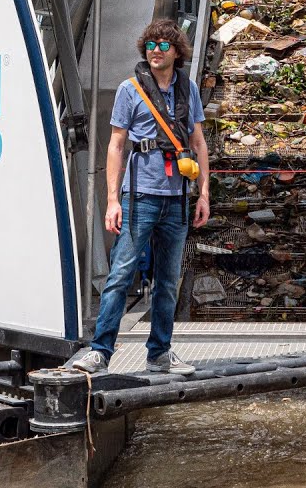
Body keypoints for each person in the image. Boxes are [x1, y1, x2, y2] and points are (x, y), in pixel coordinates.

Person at [72, 19, 209, 375]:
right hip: (140, 196)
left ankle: (160, 352)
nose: (156, 50)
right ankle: (100, 351)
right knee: (120, 273)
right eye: (150, 45)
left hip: (177, 198)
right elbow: (116, 145)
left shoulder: (188, 89)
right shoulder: (130, 89)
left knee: (167, 280)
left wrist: (204, 193)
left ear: (177, 51)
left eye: (164, 45)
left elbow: (198, 143)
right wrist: (112, 199)